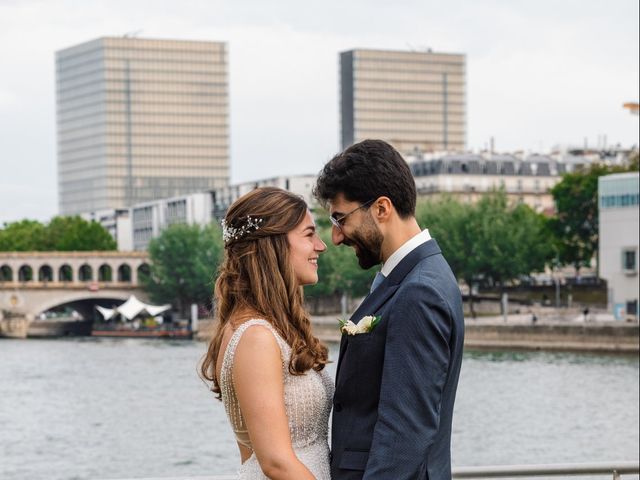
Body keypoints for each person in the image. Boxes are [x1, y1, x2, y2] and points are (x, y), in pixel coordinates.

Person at [314, 139, 465, 480]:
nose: (336, 237)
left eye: (340, 219)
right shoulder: (409, 276)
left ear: (381, 208)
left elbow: (405, 432)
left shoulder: (419, 291)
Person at [200, 187, 333, 479]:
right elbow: (275, 462)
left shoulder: (265, 330)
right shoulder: (256, 337)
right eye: (309, 234)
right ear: (275, 244)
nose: (320, 246)